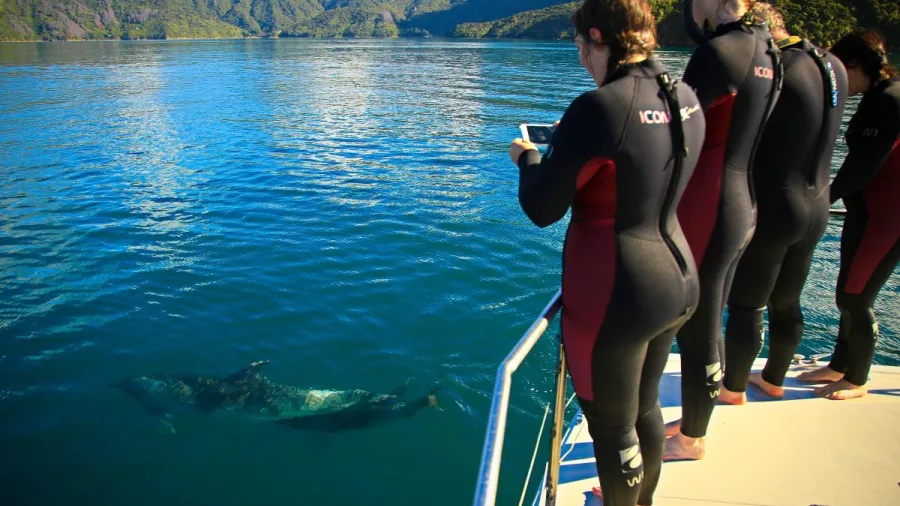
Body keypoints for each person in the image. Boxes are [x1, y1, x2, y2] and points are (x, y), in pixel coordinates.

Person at [508, 0, 705, 503]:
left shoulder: (600, 107)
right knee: (643, 410)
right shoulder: (684, 93)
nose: (580, 59)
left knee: (613, 427)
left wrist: (529, 158)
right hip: (678, 275)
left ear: (597, 37)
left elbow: (542, 207)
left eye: (579, 46)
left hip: (618, 291)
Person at [663, 0, 781, 462]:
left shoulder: (719, 52)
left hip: (709, 204)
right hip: (743, 200)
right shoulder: (767, 47)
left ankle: (692, 439)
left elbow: (676, 131)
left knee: (696, 325)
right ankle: (699, 417)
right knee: (711, 317)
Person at [716, 3, 848, 400]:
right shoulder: (832, 64)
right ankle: (773, 379)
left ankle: (733, 389)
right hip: (817, 202)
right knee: (787, 300)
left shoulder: (777, 67)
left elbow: (742, 137)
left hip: (775, 203)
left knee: (746, 305)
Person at [796, 29, 900, 400]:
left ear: (855, 64)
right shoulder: (875, 98)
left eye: (841, 68)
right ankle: (839, 364)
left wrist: (818, 200)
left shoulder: (889, 100)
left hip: (887, 218)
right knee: (846, 291)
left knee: (856, 297)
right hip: (865, 212)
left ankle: (857, 378)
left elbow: (863, 168)